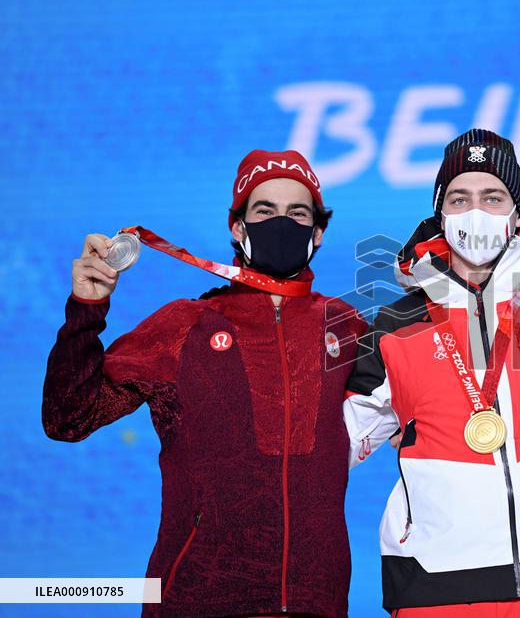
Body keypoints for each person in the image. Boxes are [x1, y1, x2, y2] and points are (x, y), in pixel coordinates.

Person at [42, 149, 367, 617]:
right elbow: (68, 418)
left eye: (298, 213)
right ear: (237, 228)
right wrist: (86, 309)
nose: (282, 223)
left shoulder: (346, 327)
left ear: (318, 232)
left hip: (317, 602)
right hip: (194, 599)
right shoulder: (184, 327)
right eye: (264, 211)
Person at [344, 129, 520, 616]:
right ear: (440, 213)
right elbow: (330, 446)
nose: (475, 211)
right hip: (433, 587)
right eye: (459, 198)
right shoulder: (395, 326)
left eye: (493, 196)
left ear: (518, 215)